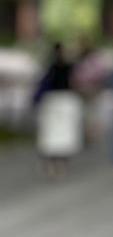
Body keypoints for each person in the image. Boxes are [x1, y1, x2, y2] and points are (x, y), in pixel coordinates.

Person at [32, 44, 83, 179]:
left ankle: (56, 165)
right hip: (58, 103)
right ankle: (55, 165)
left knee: (58, 136)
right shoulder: (55, 69)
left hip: (58, 103)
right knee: (55, 136)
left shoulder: (57, 69)